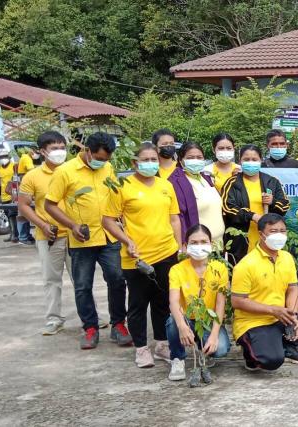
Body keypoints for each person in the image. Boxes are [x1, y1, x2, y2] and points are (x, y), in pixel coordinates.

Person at [45, 132, 130, 350]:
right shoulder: (65, 172)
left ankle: (118, 324)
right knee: (83, 286)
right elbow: (50, 205)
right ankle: (90, 328)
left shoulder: (107, 168)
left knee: (117, 280)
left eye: (106, 160)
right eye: (99, 158)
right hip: (82, 239)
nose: (102, 163)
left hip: (108, 236)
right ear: (87, 151)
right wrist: (72, 225)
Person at [102, 142, 182, 368]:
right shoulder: (122, 185)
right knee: (138, 304)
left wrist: (178, 245)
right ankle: (141, 348)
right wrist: (127, 241)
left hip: (166, 253)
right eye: (145, 160)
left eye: (153, 160)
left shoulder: (165, 185)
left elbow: (174, 218)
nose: (150, 164)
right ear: (134, 163)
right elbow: (107, 220)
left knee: (162, 302)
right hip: (137, 257)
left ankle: (161, 344)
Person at [232, 213, 298, 370]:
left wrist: (292, 315)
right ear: (261, 234)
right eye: (273, 231)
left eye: (283, 231)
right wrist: (273, 310)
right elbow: (237, 301)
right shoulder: (246, 265)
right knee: (272, 361)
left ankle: (288, 345)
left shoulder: (286, 257)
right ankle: (250, 353)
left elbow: (293, 288)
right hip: (254, 322)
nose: (279, 235)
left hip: (280, 315)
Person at [17, 131, 72, 335]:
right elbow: (23, 205)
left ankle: (90, 316)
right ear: (42, 152)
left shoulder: (73, 171)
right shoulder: (32, 176)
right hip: (49, 236)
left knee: (82, 278)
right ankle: (53, 318)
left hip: (75, 235)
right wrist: (42, 224)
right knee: (51, 279)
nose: (60, 152)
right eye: (54, 149)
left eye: (62, 148)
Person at [165, 224, 231, 381]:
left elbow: (220, 304)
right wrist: (182, 326)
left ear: (211, 244)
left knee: (221, 348)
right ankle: (177, 358)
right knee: (173, 321)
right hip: (186, 317)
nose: (199, 246)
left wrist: (214, 335)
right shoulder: (177, 270)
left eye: (204, 242)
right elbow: (173, 301)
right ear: (186, 246)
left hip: (207, 319)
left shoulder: (219, 268)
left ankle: (205, 351)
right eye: (194, 243)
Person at [221, 145, 291, 265]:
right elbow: (228, 207)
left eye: (254, 159)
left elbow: (284, 205)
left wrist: (272, 202)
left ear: (261, 160)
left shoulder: (272, 181)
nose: (250, 162)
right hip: (240, 239)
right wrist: (252, 216)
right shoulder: (232, 183)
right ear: (239, 161)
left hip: (268, 238)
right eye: (246, 159)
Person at [170, 142, 224, 245]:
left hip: (218, 243)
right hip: (198, 245)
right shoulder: (176, 183)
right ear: (181, 160)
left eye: (199, 157)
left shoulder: (206, 178)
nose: (195, 160)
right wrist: (183, 244)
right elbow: (178, 218)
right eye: (190, 157)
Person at [0, 148, 21, 243]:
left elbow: (20, 178)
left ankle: (15, 235)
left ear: (8, 157)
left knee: (12, 214)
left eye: (4, 157)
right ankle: (12, 234)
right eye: (1, 157)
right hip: (4, 195)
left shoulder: (15, 166)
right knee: (8, 215)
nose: (3, 159)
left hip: (14, 195)